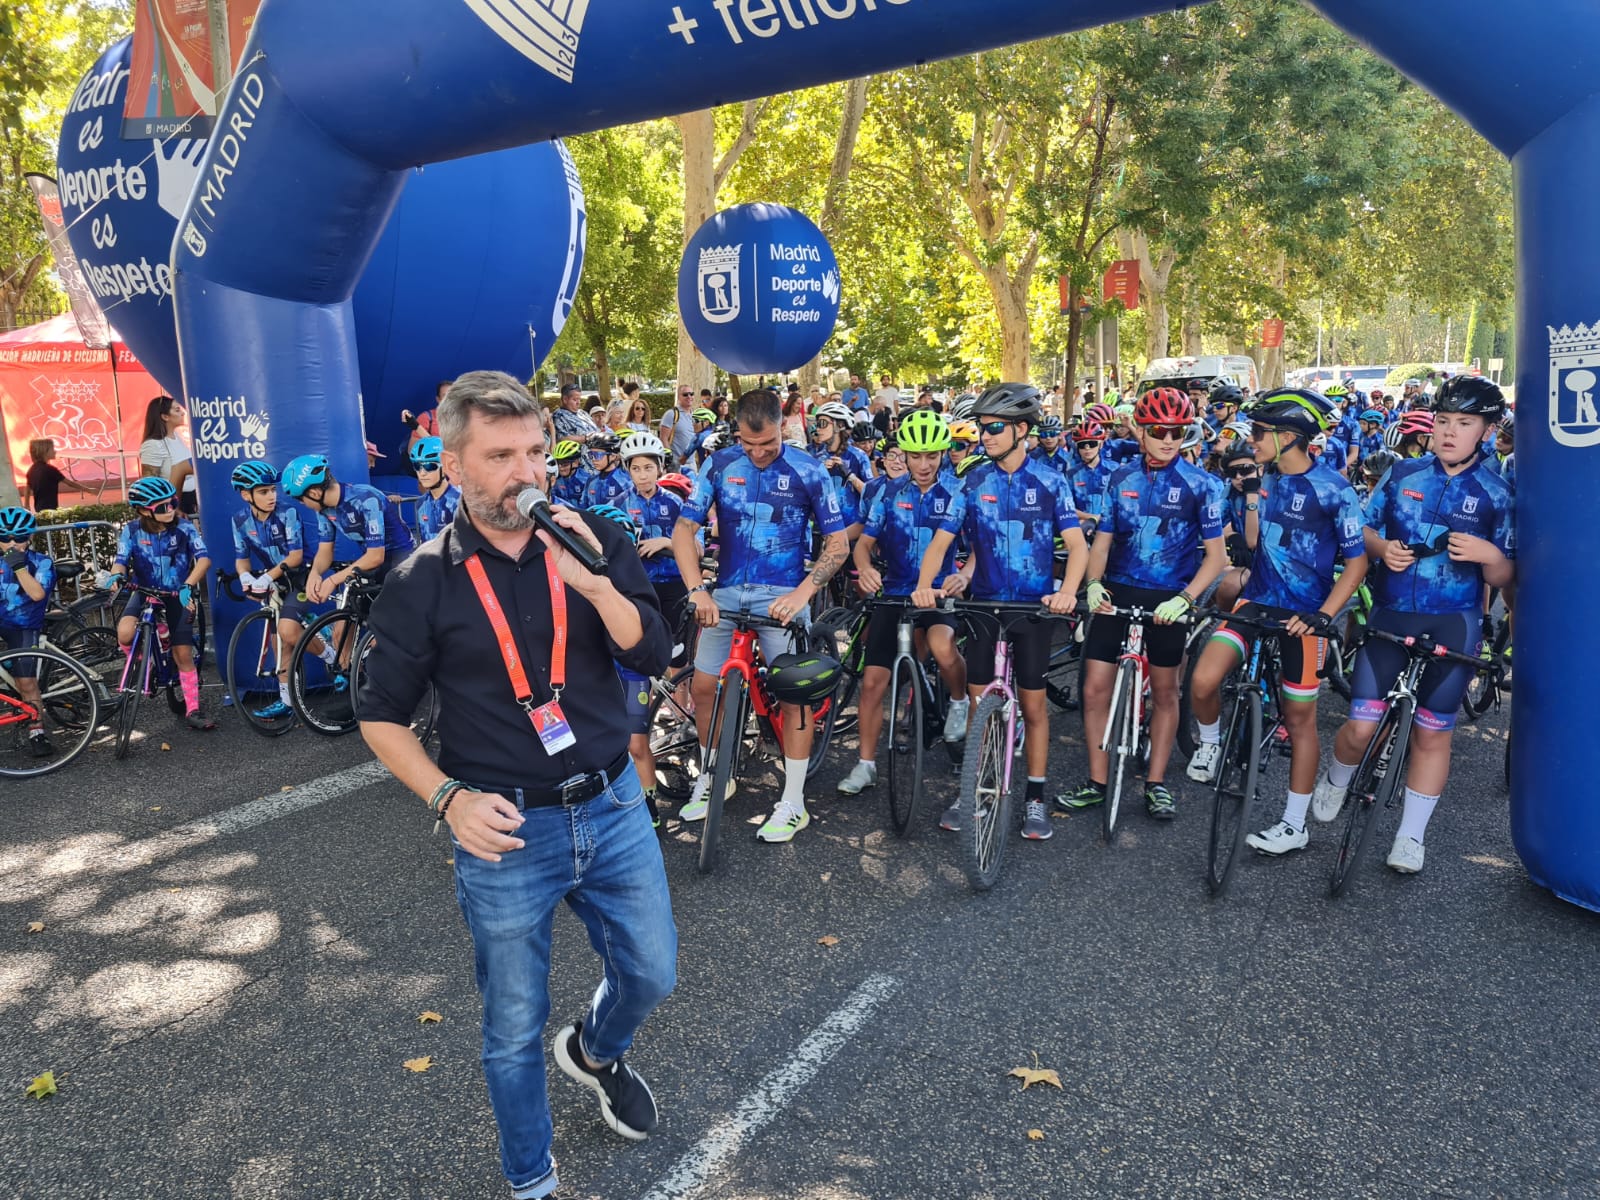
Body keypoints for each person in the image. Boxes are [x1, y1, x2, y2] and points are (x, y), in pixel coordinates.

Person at [358, 370, 674, 1200]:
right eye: (500, 456)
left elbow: (653, 653)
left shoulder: (594, 536)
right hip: (505, 830)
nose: (526, 472)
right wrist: (446, 799)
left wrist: (597, 585)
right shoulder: (421, 578)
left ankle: (597, 1052)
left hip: (611, 804)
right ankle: (531, 1179)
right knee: (509, 1031)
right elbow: (379, 714)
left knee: (651, 974)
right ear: (453, 465)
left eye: (535, 451)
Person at [1311, 377, 1514, 874]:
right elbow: (1361, 527)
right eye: (1443, 421)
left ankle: (1410, 835)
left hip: (1454, 621)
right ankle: (1337, 778)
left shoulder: (1496, 492)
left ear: (1486, 431)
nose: (1449, 432)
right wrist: (1382, 549)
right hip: (1391, 612)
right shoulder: (1404, 472)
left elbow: (1506, 574)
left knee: (1431, 733)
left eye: (1464, 424)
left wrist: (1490, 555)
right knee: (1359, 727)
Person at [1184, 389, 1368, 855]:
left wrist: (1324, 616)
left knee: (1300, 719)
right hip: (1257, 604)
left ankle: (1293, 824)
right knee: (1203, 680)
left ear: (1290, 437)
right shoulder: (1262, 479)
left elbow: (1357, 563)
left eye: (1262, 432)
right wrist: (1249, 497)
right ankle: (1209, 744)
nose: (1254, 439)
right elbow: (1250, 538)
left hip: (1304, 616)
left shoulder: (1334, 488)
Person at [671, 388, 849, 842]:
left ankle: (792, 801)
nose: (758, 452)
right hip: (725, 594)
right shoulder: (720, 463)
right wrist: (697, 590)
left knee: (794, 697)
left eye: (767, 444)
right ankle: (713, 775)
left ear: (782, 427)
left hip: (781, 597)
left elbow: (837, 544)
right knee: (705, 687)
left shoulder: (808, 469)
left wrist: (804, 594)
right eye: (749, 445)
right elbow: (684, 529)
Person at [912, 382, 1089, 840]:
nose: (984, 436)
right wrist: (923, 586)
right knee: (977, 703)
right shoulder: (972, 480)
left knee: (1032, 706)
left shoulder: (1051, 481)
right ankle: (971, 786)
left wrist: (1067, 591)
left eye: (994, 428)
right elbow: (942, 541)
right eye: (981, 428)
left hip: (1033, 608)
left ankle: (1034, 796)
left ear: (1022, 430)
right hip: (986, 605)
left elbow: (1076, 544)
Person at [1062, 387, 1227, 819]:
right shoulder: (1120, 478)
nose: (1168, 439)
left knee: (1167, 693)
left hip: (1170, 598)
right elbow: (1102, 542)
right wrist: (1092, 585)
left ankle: (1156, 784)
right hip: (1116, 590)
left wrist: (1186, 598)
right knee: (1095, 689)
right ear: (1141, 430)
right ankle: (1098, 781)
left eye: (1178, 431)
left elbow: (1217, 558)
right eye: (1158, 431)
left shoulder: (1203, 485)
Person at [838, 411, 971, 798]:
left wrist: (962, 577)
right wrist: (863, 570)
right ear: (903, 456)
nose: (924, 464)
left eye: (932, 455)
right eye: (915, 456)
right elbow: (864, 545)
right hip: (894, 592)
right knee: (873, 683)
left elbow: (976, 548)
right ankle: (866, 764)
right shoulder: (889, 493)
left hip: (938, 595)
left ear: (943, 454)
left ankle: (959, 701)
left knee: (944, 647)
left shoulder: (958, 493)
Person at [99, 476, 215, 730]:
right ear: (143, 510)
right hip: (143, 591)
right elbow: (121, 559)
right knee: (125, 633)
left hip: (176, 595)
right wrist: (116, 573)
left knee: (182, 653)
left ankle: (193, 708)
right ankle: (145, 661)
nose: (171, 509)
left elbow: (204, 560)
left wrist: (188, 584)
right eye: (163, 507)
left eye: (172, 502)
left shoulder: (184, 528)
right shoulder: (131, 530)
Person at [228, 460, 339, 719]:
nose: (271, 496)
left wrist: (265, 577)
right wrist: (245, 575)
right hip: (276, 581)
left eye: (273, 490)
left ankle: (332, 657)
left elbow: (296, 556)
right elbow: (242, 559)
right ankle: (288, 701)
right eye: (264, 492)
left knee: (288, 631)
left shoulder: (287, 512)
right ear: (247, 495)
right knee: (279, 643)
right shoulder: (240, 520)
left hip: (300, 577)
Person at [281, 454, 415, 607]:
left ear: (314, 493)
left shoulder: (365, 498)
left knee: (386, 623)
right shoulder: (323, 510)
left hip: (401, 560)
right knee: (343, 626)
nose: (302, 504)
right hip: (372, 563)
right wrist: (315, 573)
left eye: (300, 499)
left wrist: (332, 580)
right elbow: (325, 550)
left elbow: (376, 556)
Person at [0, 506, 57, 754]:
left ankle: (37, 732)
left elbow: (36, 593)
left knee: (27, 682)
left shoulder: (41, 562)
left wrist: (18, 567)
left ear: (29, 538)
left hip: (24, 626)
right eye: (5, 538)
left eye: (19, 538)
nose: (12, 544)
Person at [811, 400, 871, 538]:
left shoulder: (858, 456)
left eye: (823, 424)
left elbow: (871, 495)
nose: (818, 428)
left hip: (851, 530)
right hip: (822, 529)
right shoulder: (816, 457)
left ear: (840, 425)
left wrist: (850, 475)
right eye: (817, 424)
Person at [138, 395, 198, 515]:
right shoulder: (153, 445)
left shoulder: (178, 437)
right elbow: (149, 481)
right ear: (165, 416)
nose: (182, 413)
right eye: (177, 410)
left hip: (192, 499)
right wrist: (167, 507)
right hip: (172, 502)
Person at [410, 437, 462, 541]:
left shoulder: (460, 502)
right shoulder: (420, 504)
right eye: (417, 466)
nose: (422, 473)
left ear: (445, 468)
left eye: (429, 466)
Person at [24, 439, 86, 512]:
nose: (55, 451)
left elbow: (27, 489)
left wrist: (26, 504)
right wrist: (89, 490)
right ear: (44, 452)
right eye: (52, 449)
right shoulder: (50, 470)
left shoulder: (32, 469)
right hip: (50, 508)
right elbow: (70, 483)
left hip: (38, 507)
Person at [400, 381, 449, 459]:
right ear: (438, 399)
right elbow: (412, 451)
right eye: (445, 396)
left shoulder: (464, 421)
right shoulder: (426, 418)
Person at [582, 433, 629, 508]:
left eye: (597, 455)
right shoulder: (591, 480)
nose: (593, 459)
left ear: (613, 456)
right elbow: (583, 506)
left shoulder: (625, 481)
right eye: (591, 454)